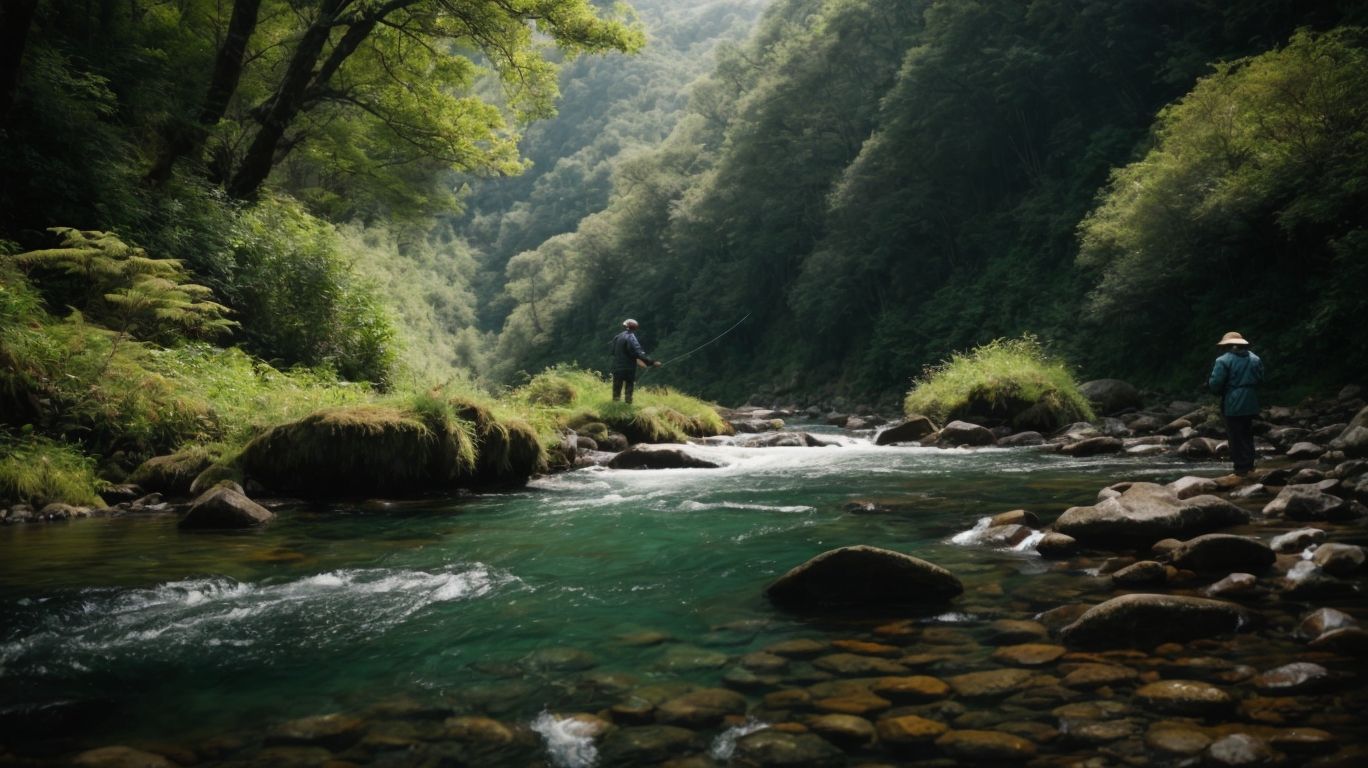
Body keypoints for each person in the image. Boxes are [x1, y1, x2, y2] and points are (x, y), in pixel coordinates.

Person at [1208, 331, 1264, 476]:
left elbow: (1216, 383)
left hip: (1233, 400)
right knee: (1247, 434)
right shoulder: (1255, 358)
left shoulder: (1223, 360)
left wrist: (1215, 391)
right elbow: (1260, 377)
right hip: (1251, 399)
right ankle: (1250, 465)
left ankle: (1240, 468)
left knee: (1235, 435)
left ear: (1228, 345)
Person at [610, 318, 660, 404]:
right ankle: (628, 405)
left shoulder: (617, 337)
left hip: (617, 367)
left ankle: (615, 406)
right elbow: (638, 353)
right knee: (629, 388)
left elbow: (613, 352)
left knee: (616, 390)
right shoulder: (631, 337)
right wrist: (652, 362)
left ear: (625, 326)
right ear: (635, 328)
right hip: (629, 368)